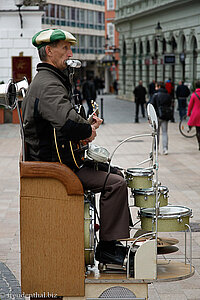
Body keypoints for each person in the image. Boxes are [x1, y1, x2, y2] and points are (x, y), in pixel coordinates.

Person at [22, 28, 131, 267]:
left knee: (114, 172)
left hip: (60, 161)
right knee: (116, 183)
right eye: (65, 48)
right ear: (49, 51)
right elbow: (68, 122)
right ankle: (108, 248)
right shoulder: (48, 84)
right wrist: (87, 131)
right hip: (55, 169)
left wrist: (86, 127)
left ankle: (112, 240)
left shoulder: (49, 80)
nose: (70, 53)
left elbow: (62, 123)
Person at [150, 81, 172, 155]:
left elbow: (151, 106)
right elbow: (170, 105)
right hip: (165, 116)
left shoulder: (155, 95)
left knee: (157, 133)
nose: (155, 88)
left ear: (159, 86)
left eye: (156, 86)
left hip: (157, 116)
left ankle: (156, 149)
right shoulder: (168, 95)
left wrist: (150, 117)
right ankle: (165, 149)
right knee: (165, 132)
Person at [187, 80, 200, 151]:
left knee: (198, 130)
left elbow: (190, 106)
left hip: (197, 114)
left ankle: (199, 143)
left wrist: (188, 113)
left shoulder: (194, 95)